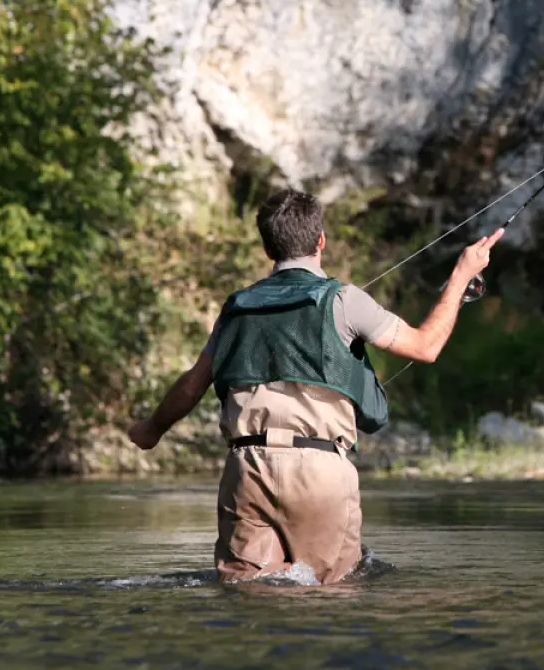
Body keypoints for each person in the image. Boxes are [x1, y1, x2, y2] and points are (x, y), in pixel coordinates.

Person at [127, 189, 500, 585]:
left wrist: (151, 429)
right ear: (320, 240)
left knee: (249, 596)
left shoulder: (236, 307)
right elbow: (425, 346)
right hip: (319, 470)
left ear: (268, 246)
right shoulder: (345, 300)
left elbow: (191, 386)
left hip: (247, 467)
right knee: (329, 600)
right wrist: (461, 276)